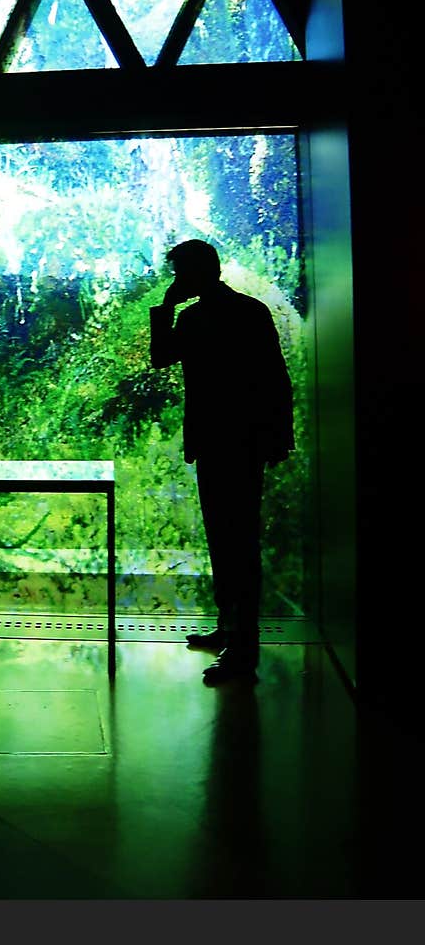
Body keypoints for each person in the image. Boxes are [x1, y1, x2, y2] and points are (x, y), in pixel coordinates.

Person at [149, 239, 294, 686]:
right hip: (244, 442)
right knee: (235, 541)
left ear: (195, 273)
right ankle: (233, 634)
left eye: (179, 274)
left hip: (221, 442)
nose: (176, 282)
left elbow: (160, 357)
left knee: (232, 542)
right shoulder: (250, 311)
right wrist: (278, 438)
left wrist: (165, 308)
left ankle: (242, 651)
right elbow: (276, 377)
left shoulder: (195, 317)